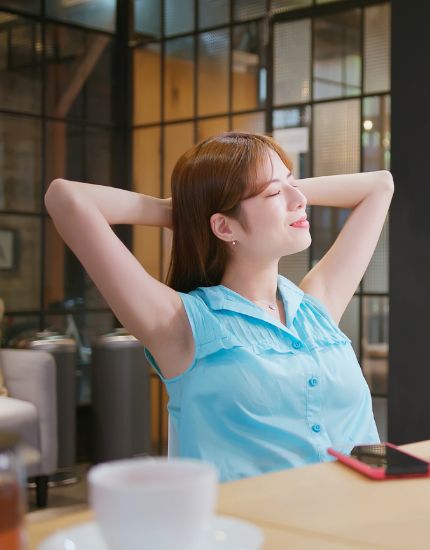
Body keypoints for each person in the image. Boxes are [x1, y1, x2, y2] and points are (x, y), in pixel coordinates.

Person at [45, 132, 393, 482]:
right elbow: (66, 198)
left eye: (293, 183)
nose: (300, 199)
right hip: (257, 531)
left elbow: (380, 185)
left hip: (367, 518)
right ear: (223, 226)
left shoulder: (315, 308)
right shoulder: (181, 324)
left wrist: (274, 185)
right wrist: (183, 210)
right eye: (274, 193)